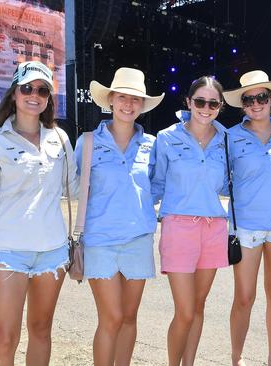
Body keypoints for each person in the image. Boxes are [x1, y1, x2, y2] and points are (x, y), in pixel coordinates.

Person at [0, 60, 78, 365]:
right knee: (5, 339)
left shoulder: (60, 139)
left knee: (41, 331)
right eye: (27, 88)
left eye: (42, 90)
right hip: (7, 254)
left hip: (52, 254)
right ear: (14, 93)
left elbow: (76, 188)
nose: (34, 95)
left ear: (48, 99)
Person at [75, 67, 164, 366]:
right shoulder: (87, 142)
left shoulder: (152, 145)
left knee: (128, 317)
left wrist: (136, 209)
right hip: (100, 241)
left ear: (142, 104)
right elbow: (75, 185)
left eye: (135, 99)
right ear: (110, 99)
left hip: (138, 240)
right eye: (123, 97)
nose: (128, 104)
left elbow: (157, 186)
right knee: (111, 318)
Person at [151, 76, 229, 366]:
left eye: (212, 103)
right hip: (179, 228)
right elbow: (156, 184)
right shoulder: (167, 138)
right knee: (184, 311)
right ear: (188, 102)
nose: (205, 108)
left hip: (214, 229)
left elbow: (229, 186)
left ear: (220, 106)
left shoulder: (226, 139)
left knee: (198, 307)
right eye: (200, 101)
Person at [222, 70, 271, 366]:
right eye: (249, 99)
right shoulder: (230, 137)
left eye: (261, 97)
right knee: (244, 296)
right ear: (242, 105)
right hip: (247, 228)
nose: (256, 103)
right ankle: (236, 358)